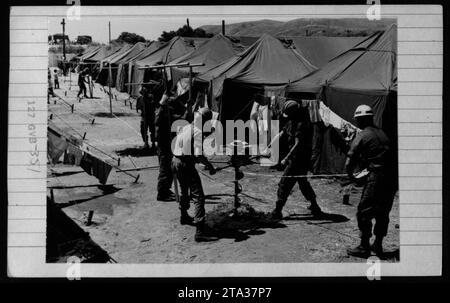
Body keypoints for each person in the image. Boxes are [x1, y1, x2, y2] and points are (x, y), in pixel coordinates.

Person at [345, 105, 397, 258]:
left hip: (377, 178)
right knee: (383, 212)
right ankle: (378, 244)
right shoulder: (383, 133)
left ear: (360, 119)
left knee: (364, 212)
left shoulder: (362, 135)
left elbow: (349, 162)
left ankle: (364, 246)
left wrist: (352, 177)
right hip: (391, 178)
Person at [270, 100, 322, 220]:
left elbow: (298, 144)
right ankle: (315, 206)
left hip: (299, 159)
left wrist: (286, 158)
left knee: (284, 183)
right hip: (296, 159)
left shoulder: (302, 124)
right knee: (303, 183)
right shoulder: (291, 121)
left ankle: (277, 211)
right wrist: (269, 146)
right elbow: (282, 133)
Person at [172, 107, 218, 242]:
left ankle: (184, 215)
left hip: (175, 161)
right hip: (185, 164)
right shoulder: (197, 132)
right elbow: (198, 155)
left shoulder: (186, 127)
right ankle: (200, 230)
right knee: (198, 196)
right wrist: (210, 166)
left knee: (184, 190)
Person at [154, 90, 183, 202]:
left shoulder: (168, 113)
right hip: (164, 146)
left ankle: (166, 190)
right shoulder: (161, 114)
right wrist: (163, 103)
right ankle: (162, 193)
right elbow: (160, 118)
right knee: (165, 170)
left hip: (169, 145)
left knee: (170, 170)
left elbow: (180, 117)